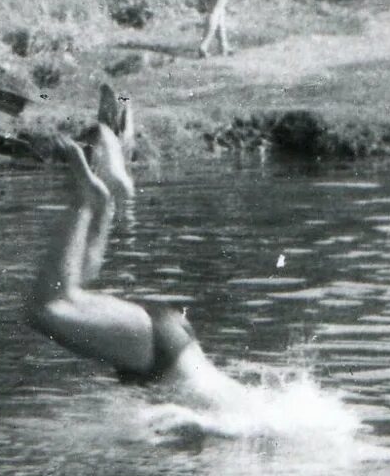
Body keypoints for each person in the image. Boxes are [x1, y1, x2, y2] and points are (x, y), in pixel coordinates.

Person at [25, 88, 241, 407]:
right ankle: (91, 202)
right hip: (162, 354)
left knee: (55, 302)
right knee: (52, 303)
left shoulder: (241, 408)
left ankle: (92, 202)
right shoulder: (244, 413)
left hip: (161, 350)